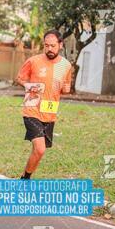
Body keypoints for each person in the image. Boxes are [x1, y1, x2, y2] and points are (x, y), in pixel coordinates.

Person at [16, 30, 72, 180]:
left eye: (53, 46)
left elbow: (66, 88)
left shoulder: (66, 66)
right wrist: (29, 85)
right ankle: (25, 180)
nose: (49, 49)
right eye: (46, 46)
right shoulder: (33, 61)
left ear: (60, 45)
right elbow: (20, 78)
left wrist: (66, 89)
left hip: (49, 113)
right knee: (40, 149)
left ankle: (25, 177)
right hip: (31, 109)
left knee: (39, 151)